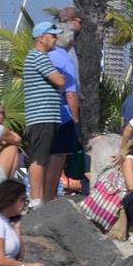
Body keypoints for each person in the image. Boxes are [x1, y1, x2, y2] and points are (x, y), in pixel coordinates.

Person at [22, 23, 67, 203]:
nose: (56, 39)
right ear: (42, 38)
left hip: (46, 116)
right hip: (42, 115)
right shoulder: (38, 57)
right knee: (39, 159)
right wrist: (61, 77)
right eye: (53, 35)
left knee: (43, 158)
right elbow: (59, 80)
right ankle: (36, 198)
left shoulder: (38, 57)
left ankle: (38, 198)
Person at [47, 14, 84, 190]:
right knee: (58, 157)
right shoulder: (65, 59)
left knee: (43, 157)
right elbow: (71, 94)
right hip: (63, 115)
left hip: (44, 113)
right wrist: (75, 120)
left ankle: (39, 195)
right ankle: (51, 194)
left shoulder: (45, 56)